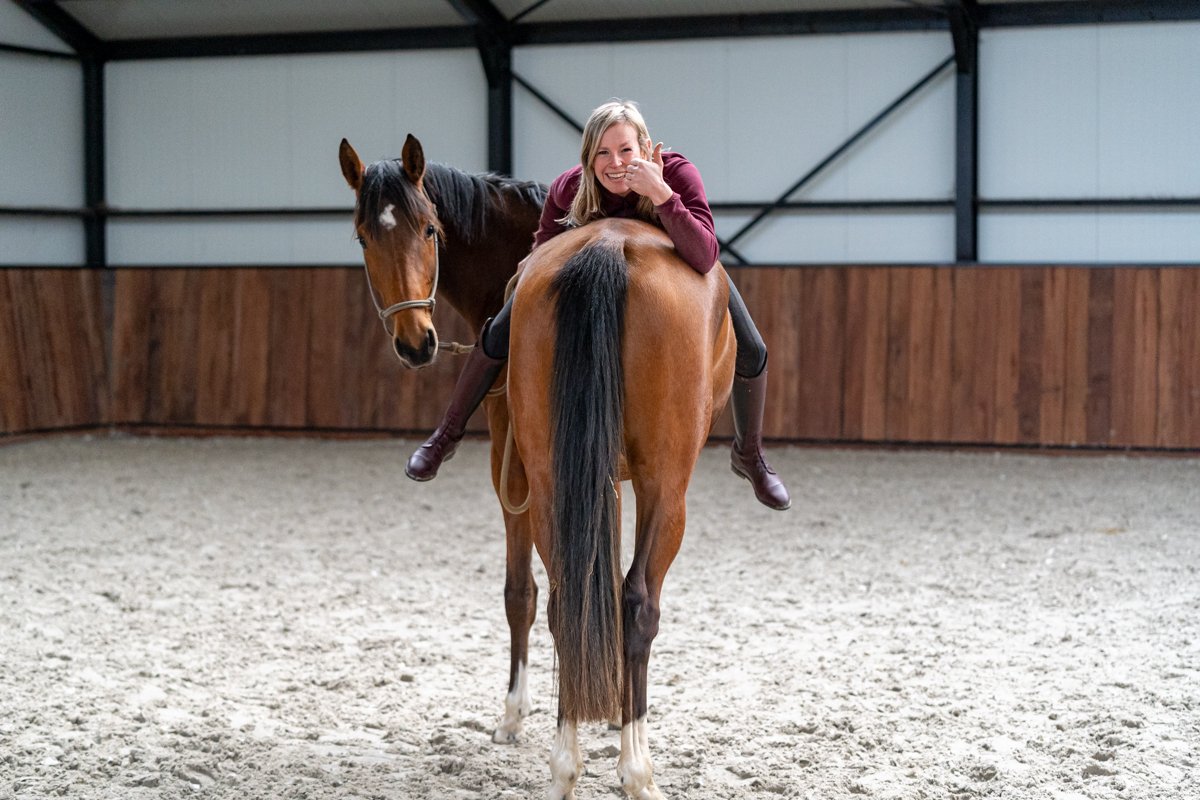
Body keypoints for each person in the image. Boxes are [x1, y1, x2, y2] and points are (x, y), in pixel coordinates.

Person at [405, 100, 790, 511]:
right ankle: (447, 434)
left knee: (752, 347)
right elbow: (542, 253)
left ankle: (750, 454)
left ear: (644, 146)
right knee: (500, 327)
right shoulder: (570, 187)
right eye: (602, 153)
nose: (615, 162)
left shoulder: (677, 173)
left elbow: (705, 254)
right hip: (590, 276)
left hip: (680, 271)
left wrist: (660, 193)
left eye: (625, 150)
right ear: (588, 157)